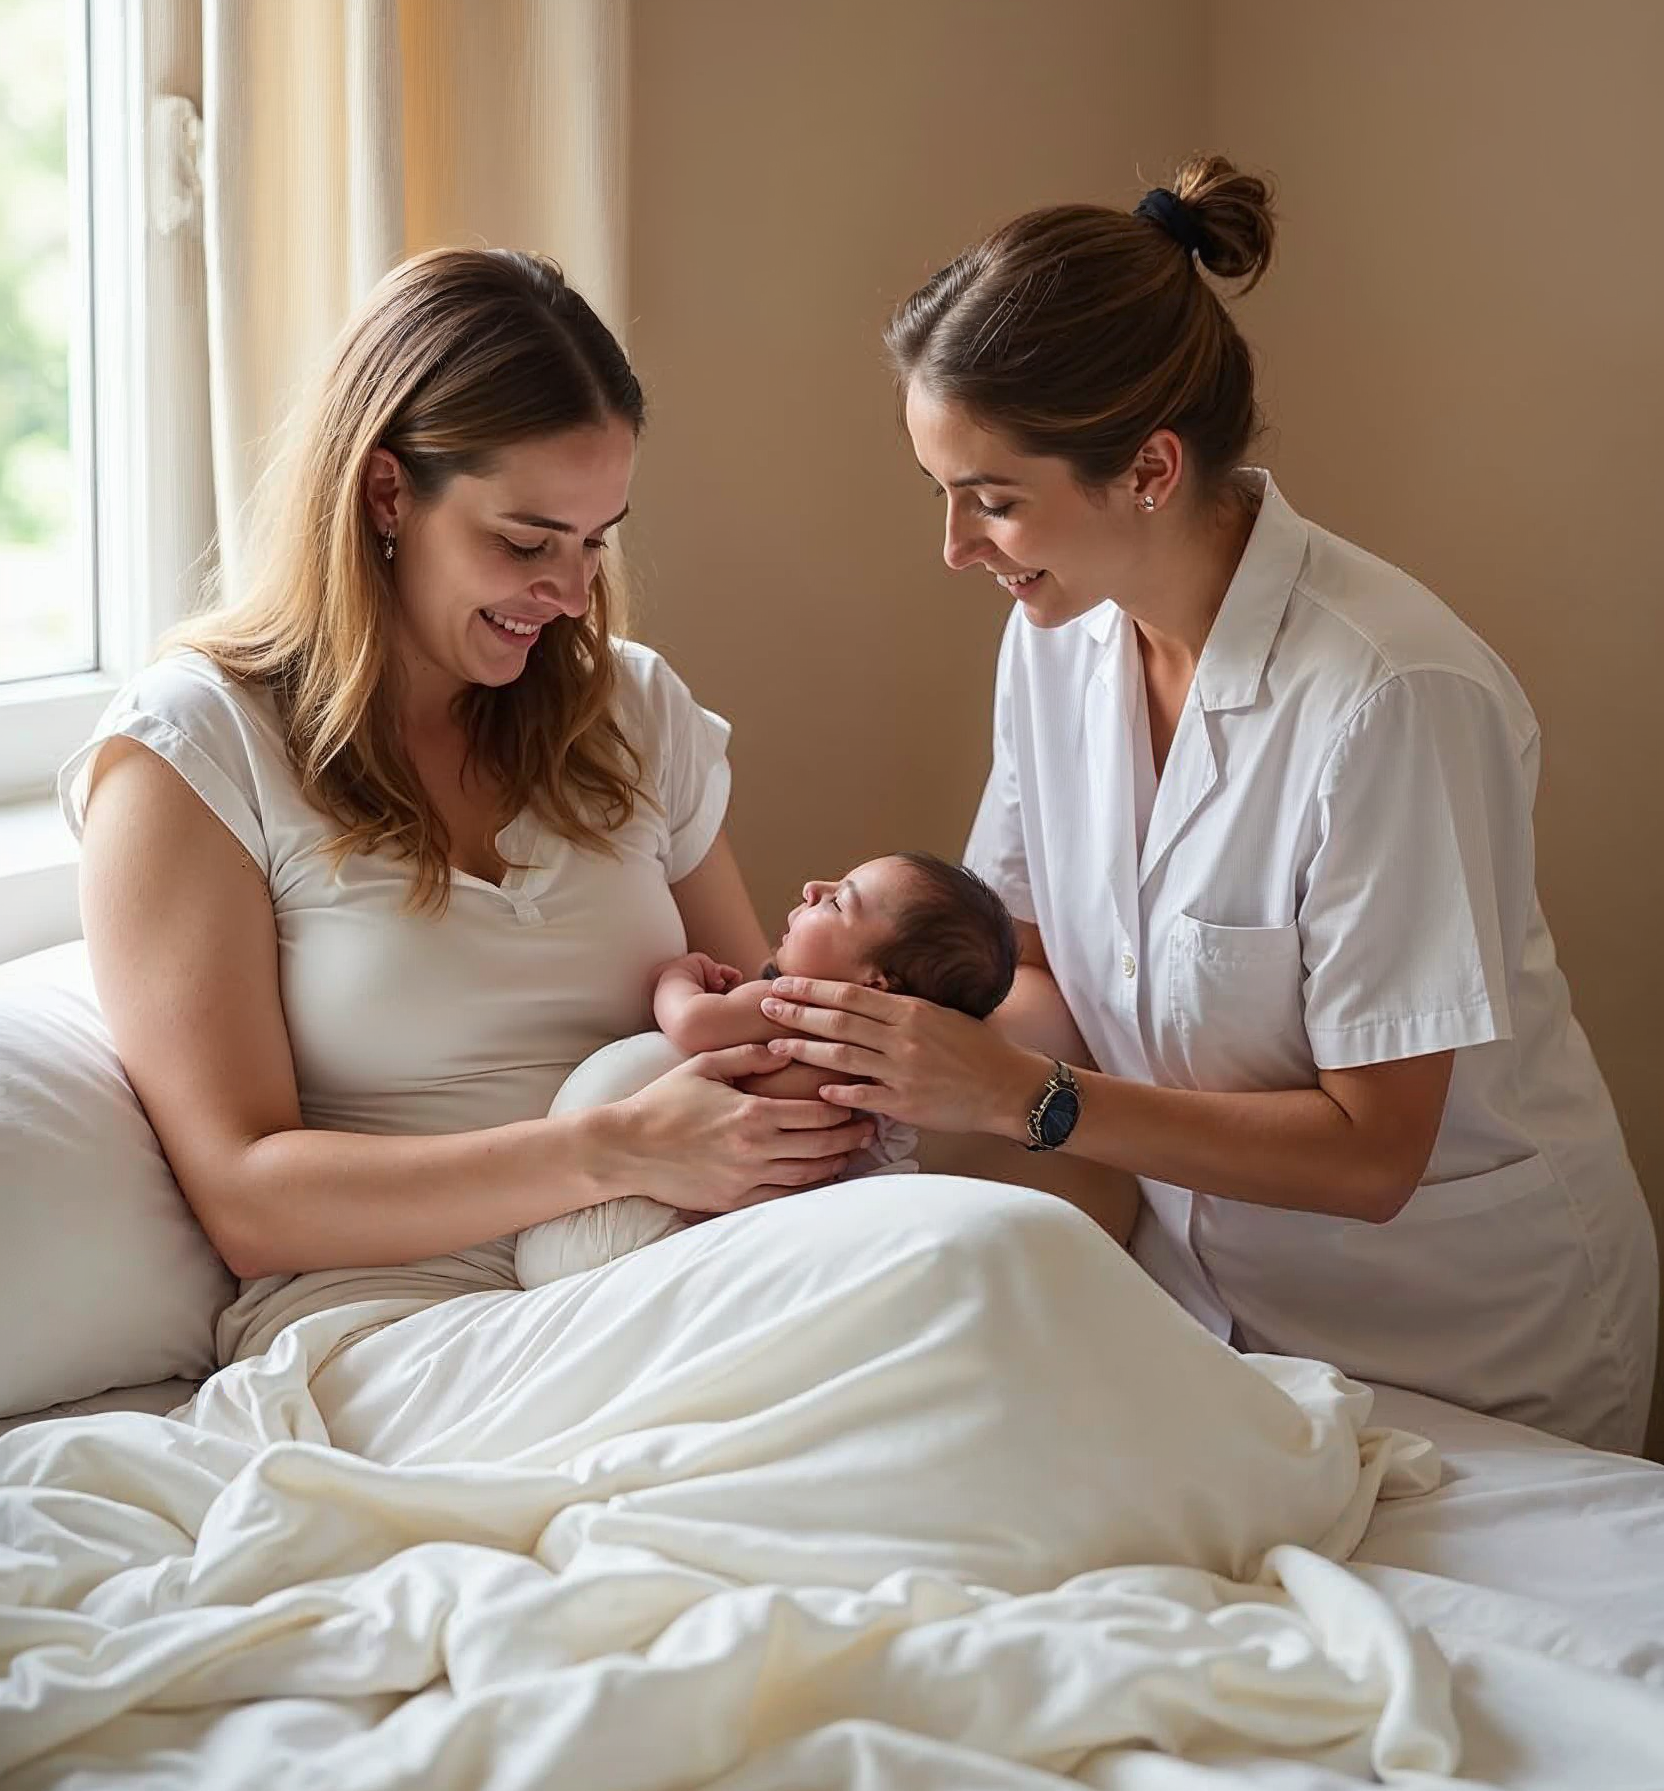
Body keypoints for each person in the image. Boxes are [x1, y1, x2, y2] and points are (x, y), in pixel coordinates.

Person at [760, 159, 1658, 1452]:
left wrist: (1027, 1098)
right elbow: (1026, 955)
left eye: (995, 500)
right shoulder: (1059, 634)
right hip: (1201, 1313)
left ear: (1150, 468)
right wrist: (854, 1043)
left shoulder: (1391, 699)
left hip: (1460, 1343)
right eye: (943, 493)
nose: (957, 549)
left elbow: (1370, 1153)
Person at [62, 248, 880, 1363]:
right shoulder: (197, 750)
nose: (573, 593)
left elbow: (771, 1027)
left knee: (997, 1261)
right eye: (525, 540)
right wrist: (615, 1151)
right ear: (388, 492)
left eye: (595, 540)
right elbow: (249, 1200)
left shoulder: (630, 708)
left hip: (679, 1264)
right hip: (398, 1322)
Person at [514, 853, 1015, 1287]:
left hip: (617, 1230)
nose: (813, 889)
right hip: (662, 1228)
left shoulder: (790, 1005)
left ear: (875, 982)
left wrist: (676, 976)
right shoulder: (892, 1079)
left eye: (840, 902)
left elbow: (690, 1023)